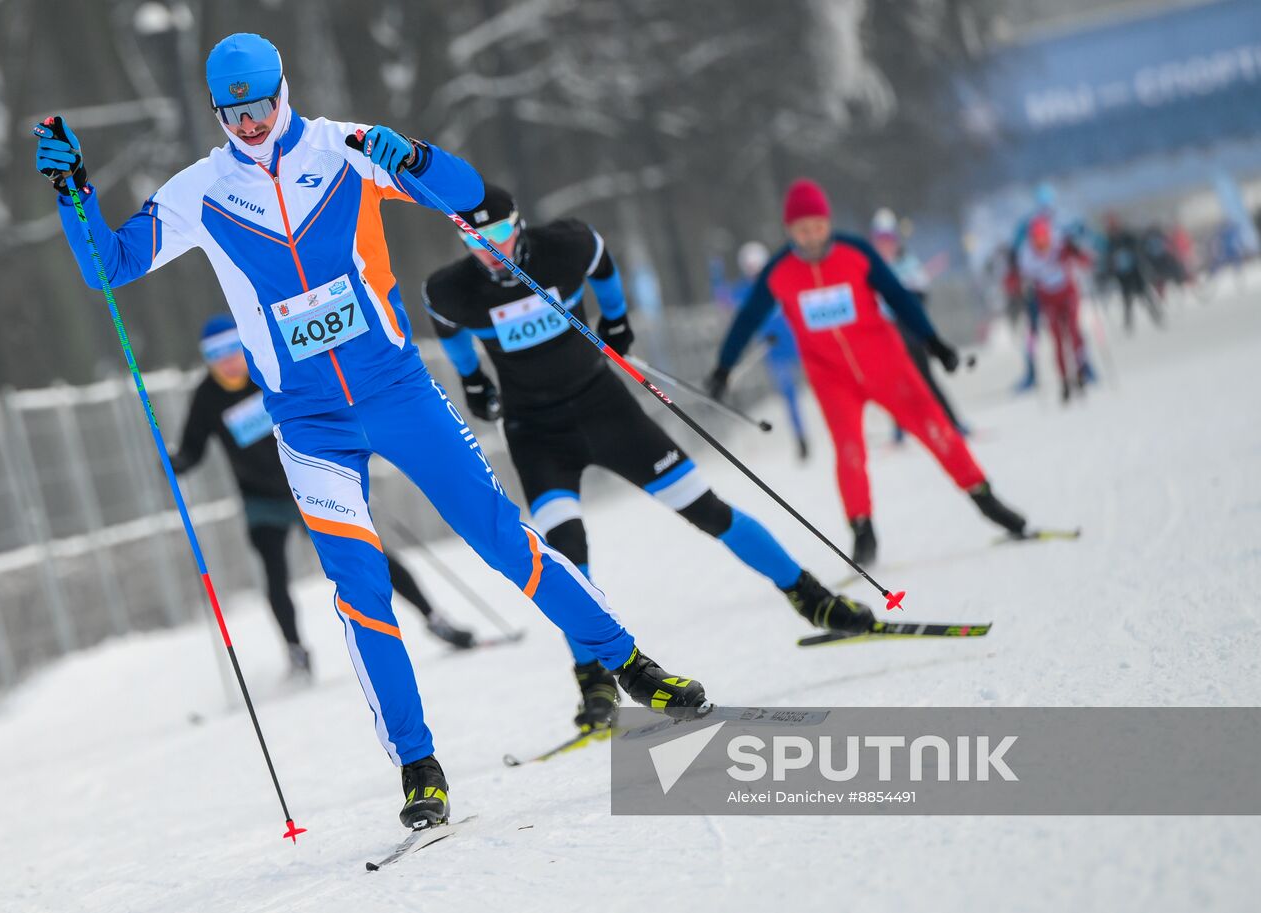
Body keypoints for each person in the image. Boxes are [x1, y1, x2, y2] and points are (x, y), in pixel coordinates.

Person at [33, 33, 706, 830]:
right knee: (360, 589)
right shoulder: (198, 191)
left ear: (283, 90)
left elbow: (468, 196)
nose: (249, 123)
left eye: (259, 105)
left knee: (498, 535)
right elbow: (110, 265)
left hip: (396, 390)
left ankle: (628, 661)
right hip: (308, 419)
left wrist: (414, 157)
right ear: (217, 113)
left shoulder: (347, 149)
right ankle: (419, 766)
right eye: (232, 112)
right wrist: (74, 188)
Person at [423, 185, 873, 733]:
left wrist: (615, 319)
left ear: (517, 226)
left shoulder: (565, 245)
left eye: (495, 234)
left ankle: (812, 598)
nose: (486, 248)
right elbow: (448, 331)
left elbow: (602, 261)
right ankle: (593, 680)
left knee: (707, 510)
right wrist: (472, 381)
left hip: (605, 409)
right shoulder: (452, 289)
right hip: (536, 433)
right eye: (471, 238)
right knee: (566, 555)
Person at [708, 178, 1031, 566]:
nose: (811, 237)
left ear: (828, 223)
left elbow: (897, 296)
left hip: (886, 364)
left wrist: (934, 343)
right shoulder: (780, 271)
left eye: (817, 227)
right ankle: (863, 533)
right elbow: (747, 320)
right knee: (848, 451)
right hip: (831, 376)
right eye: (801, 230)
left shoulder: (855, 252)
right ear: (789, 230)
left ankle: (986, 499)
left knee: (935, 427)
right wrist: (724, 368)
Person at [170, 314, 479, 681]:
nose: (227, 361)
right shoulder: (207, 396)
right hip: (261, 499)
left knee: (368, 553)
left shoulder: (265, 372)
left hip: (310, 483)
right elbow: (193, 449)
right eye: (216, 355)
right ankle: (296, 651)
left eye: (231, 350)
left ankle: (433, 617)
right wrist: (175, 463)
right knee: (275, 576)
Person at [869, 209, 968, 439]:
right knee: (893, 383)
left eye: (888, 240)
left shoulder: (908, 262)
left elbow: (922, 295)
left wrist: (908, 299)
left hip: (911, 332)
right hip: (887, 333)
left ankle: (952, 423)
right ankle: (899, 431)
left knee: (925, 379)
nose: (885, 246)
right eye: (880, 241)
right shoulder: (872, 267)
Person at [736, 241, 811, 461]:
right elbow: (726, 299)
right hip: (774, 351)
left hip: (797, 343)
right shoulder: (747, 291)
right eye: (750, 268)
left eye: (757, 267)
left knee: (822, 385)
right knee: (789, 395)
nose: (754, 272)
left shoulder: (779, 280)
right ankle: (801, 438)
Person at [1017, 217, 1092, 403]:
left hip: (1068, 294)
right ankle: (1065, 379)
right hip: (1048, 299)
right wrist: (1024, 288)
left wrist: (1076, 251)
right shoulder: (1027, 254)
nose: (1041, 242)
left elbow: (1084, 260)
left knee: (1074, 333)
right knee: (1057, 339)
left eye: (1044, 237)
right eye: (1037, 239)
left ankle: (1081, 371)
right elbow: (1022, 279)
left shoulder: (1060, 244)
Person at [1101, 214, 1162, 334]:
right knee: (1127, 300)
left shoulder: (1127, 235)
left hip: (1135, 271)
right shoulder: (1110, 241)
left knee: (1145, 294)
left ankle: (1156, 315)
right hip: (1124, 275)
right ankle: (1128, 324)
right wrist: (1109, 272)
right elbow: (1109, 259)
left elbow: (1138, 247)